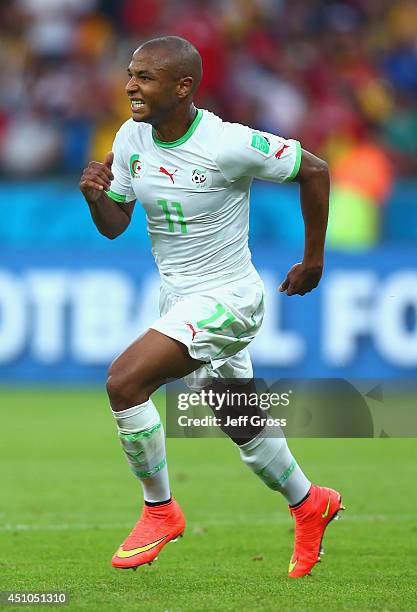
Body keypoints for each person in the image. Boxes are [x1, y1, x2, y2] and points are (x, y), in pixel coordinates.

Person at [79, 36, 344, 579]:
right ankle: (309, 502)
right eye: (131, 74)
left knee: (125, 383)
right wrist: (96, 197)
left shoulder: (227, 142)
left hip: (228, 298)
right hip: (177, 298)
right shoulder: (130, 137)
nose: (131, 85)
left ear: (183, 88)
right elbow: (116, 225)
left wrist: (312, 259)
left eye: (146, 77)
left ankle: (160, 509)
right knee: (239, 420)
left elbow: (314, 170)